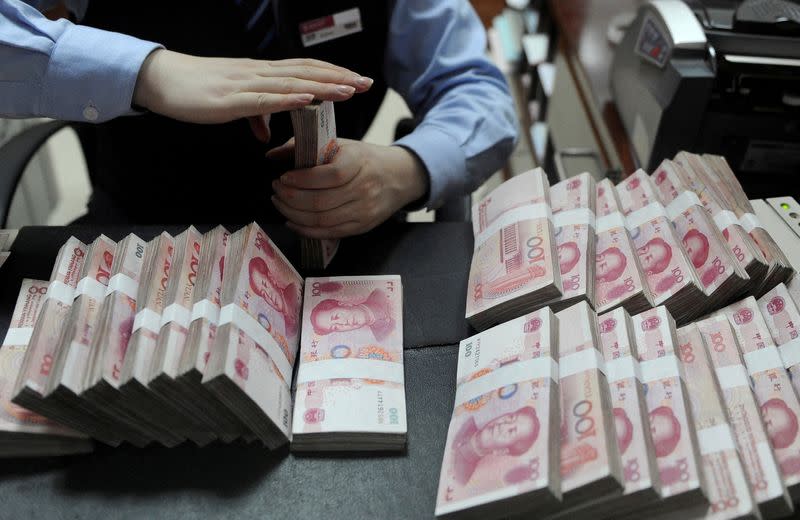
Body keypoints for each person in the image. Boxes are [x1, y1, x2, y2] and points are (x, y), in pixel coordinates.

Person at [0, 0, 517, 232]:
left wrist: (407, 170)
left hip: (338, 247)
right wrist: (146, 73)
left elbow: (476, 88)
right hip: (146, 233)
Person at [451, 406, 540, 485]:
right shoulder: (463, 419)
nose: (503, 425)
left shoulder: (461, 476)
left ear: (502, 451)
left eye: (511, 431)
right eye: (511, 417)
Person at [309, 288, 395, 341]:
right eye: (335, 327)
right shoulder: (382, 337)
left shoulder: (381, 292)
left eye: (336, 317)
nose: (343, 324)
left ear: (345, 304)